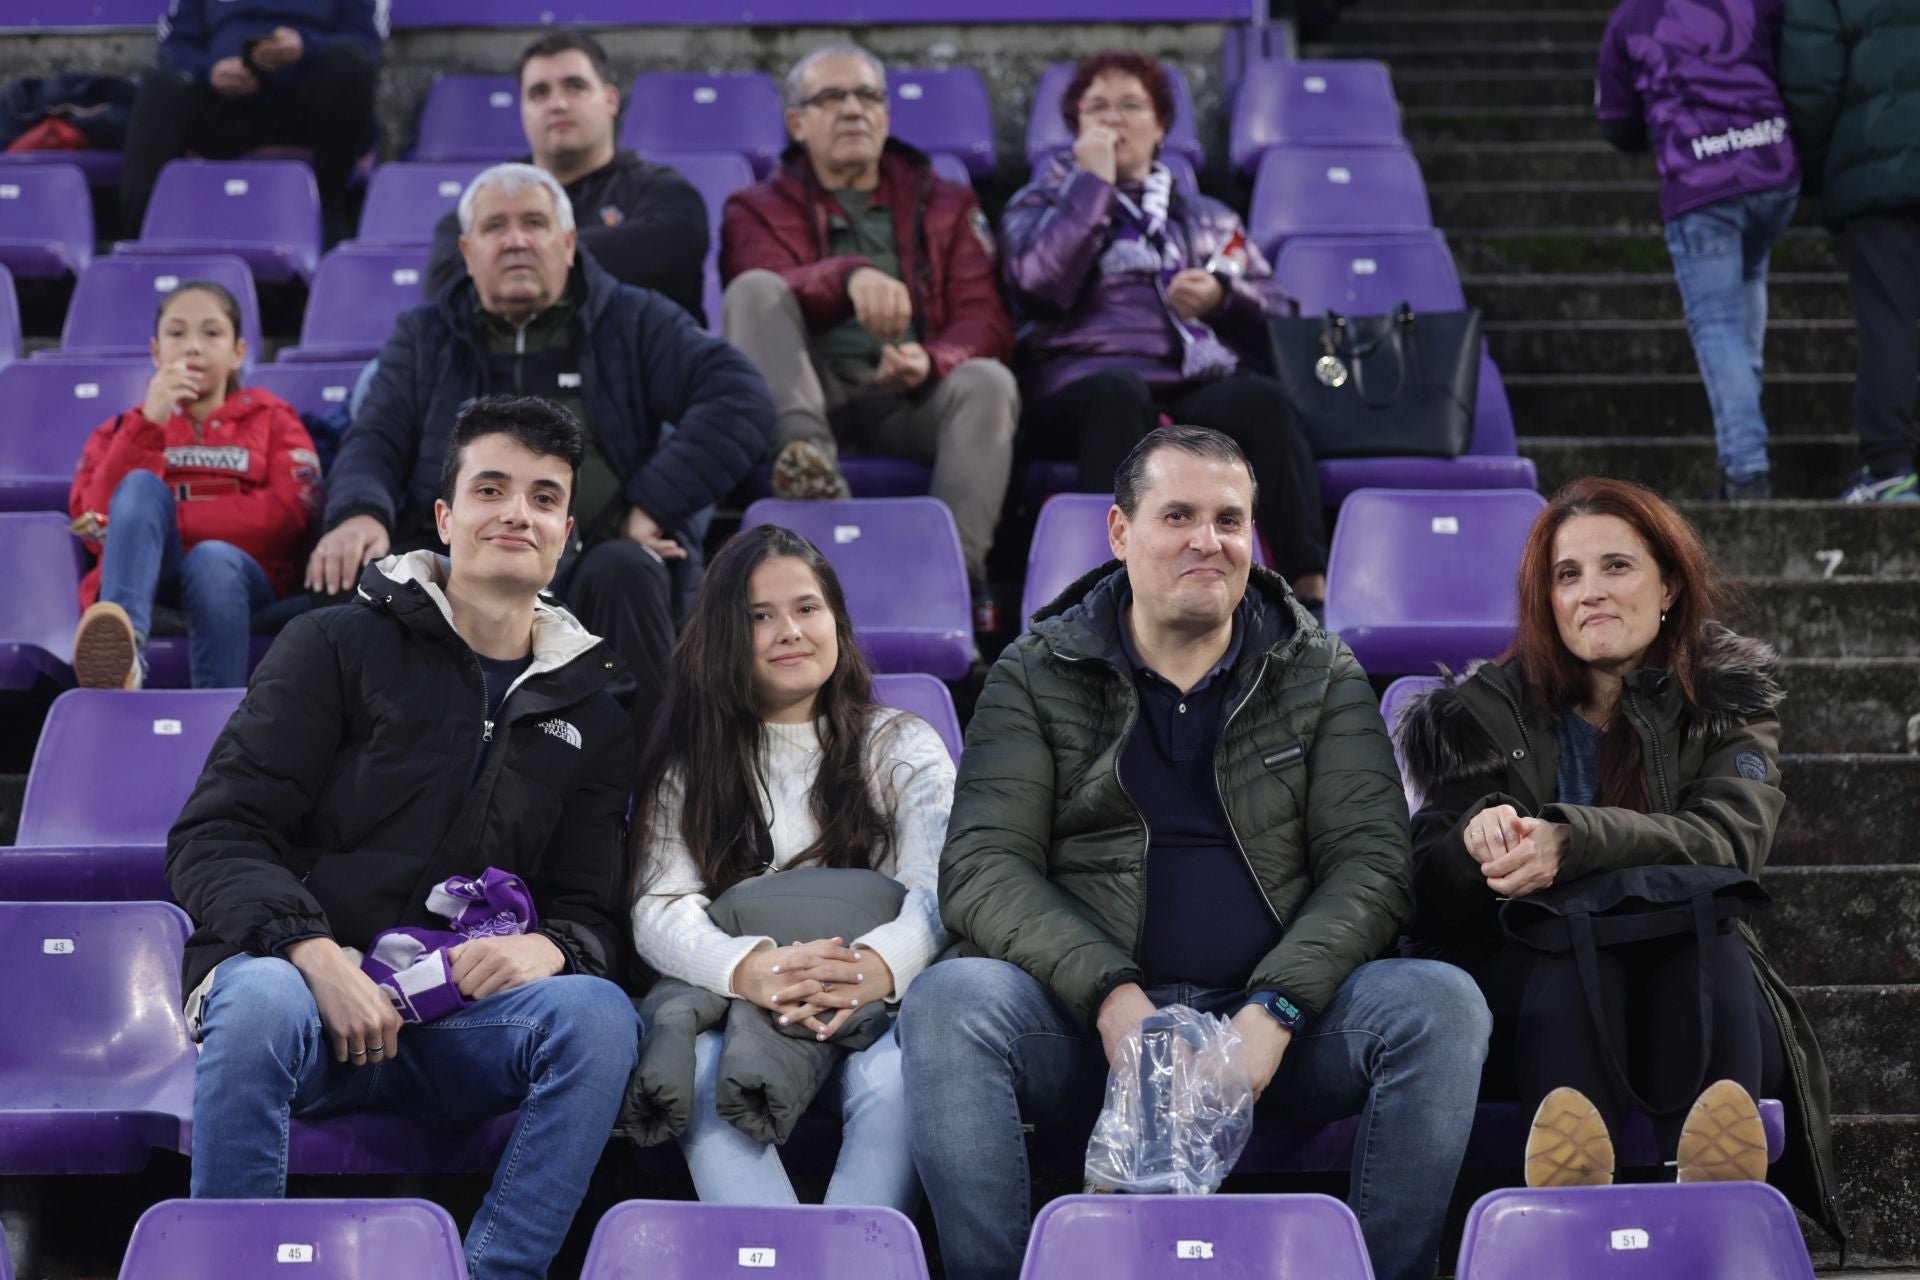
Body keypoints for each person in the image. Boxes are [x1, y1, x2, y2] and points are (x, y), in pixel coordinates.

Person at [899, 426, 1491, 1280]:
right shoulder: (1037, 670)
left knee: (1442, 1003)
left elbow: (1372, 864)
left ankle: (1383, 1271)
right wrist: (1114, 1000)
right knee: (950, 1003)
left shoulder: (1319, 669)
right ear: (1119, 531)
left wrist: (1277, 1010)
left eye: (1228, 519)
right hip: (1086, 1024)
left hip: (1277, 1030)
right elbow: (984, 866)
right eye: (1178, 515)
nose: (1206, 541)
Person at [168, 395, 640, 1280]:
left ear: (566, 533)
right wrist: (315, 953)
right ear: (444, 515)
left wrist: (555, 946)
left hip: (454, 1026)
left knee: (599, 1017)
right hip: (306, 1005)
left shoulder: (594, 712)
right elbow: (217, 834)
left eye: (542, 498)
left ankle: (495, 1273)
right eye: (491, 488)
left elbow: (593, 907)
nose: (515, 513)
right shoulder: (333, 645)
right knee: (260, 997)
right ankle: (230, 1268)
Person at [1397, 477, 1844, 1245]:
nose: (1590, 592)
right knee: (1573, 951)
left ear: (1668, 584)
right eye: (1567, 575)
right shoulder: (1482, 709)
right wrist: (1477, 839)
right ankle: (1581, 1220)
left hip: (1692, 976)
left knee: (1703, 935)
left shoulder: (1724, 699)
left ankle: (1710, 1216)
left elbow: (1731, 841)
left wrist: (1575, 841)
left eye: (1616, 567)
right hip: (1543, 986)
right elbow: (1425, 889)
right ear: (1546, 599)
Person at [310, 162, 775, 729]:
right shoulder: (424, 333)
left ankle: (659, 789)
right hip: (460, 566)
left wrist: (652, 504)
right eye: (495, 227)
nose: (516, 240)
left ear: (569, 243)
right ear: (467, 250)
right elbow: (375, 436)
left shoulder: (630, 318)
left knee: (629, 569)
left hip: (592, 561)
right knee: (355, 576)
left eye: (534, 223)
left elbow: (741, 395)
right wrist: (359, 511)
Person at [629, 523, 953, 1209]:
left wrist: (875, 966)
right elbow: (659, 906)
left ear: (835, 617)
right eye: (759, 617)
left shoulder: (901, 743)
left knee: (901, 1080)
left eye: (807, 608)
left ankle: (855, 1257)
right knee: (702, 1069)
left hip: (873, 1008)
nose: (790, 632)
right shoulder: (688, 763)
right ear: (723, 636)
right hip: (741, 1007)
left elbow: (939, 889)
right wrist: (749, 968)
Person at [1000, 51, 1328, 605]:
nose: (1113, 119)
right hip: (1080, 383)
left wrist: (1225, 298)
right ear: (1078, 128)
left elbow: (1283, 323)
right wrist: (1092, 186)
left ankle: (1307, 593)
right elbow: (1038, 284)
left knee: (1261, 401)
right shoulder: (1038, 203)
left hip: (1190, 379)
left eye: (1131, 105)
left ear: (1160, 128)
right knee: (1117, 394)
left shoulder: (1208, 217)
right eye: (1096, 107)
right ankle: (1112, 591)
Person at [721, 43, 1018, 626]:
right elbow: (765, 289)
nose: (853, 109)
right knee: (753, 292)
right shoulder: (752, 206)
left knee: (989, 380)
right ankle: (807, 467)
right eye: (832, 97)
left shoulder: (948, 202)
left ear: (886, 114)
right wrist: (850, 276)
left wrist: (930, 361)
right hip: (806, 393)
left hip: (904, 399)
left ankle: (956, 580)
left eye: (868, 96)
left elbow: (986, 319)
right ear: (797, 123)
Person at [68, 280, 319, 690]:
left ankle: (221, 719)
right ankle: (125, 655)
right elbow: (98, 527)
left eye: (212, 332)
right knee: (139, 488)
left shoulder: (275, 419)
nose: (193, 347)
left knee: (211, 559)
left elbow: (288, 515)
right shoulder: (119, 431)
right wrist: (149, 425)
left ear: (239, 352)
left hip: (238, 579)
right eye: (177, 333)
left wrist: (162, 524)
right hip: (151, 582)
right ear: (155, 351)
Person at [1596, 0, 1802, 501]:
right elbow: (1798, 66)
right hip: (1772, 171)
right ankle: (1744, 436)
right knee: (1745, 292)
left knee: (1716, 326)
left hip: (1701, 184)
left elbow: (1617, 122)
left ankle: (1746, 469)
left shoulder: (1631, 18)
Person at [424, 30, 711, 324]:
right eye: (539, 93)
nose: (558, 104)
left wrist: (514, 264)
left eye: (575, 87)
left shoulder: (665, 193)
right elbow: (445, 282)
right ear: (523, 110)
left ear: (611, 100)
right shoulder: (486, 200)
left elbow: (669, 250)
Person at [1780, 0, 1920, 503]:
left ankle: (1889, 469)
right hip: (1872, 171)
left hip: (1874, 169)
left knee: (1888, 322)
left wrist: (1823, 168)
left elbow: (1811, 81)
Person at [122, 0, 382, 235]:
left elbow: (366, 45)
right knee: (159, 85)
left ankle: (326, 210)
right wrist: (209, 71)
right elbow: (175, 46)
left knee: (347, 64)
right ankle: (143, 234)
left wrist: (305, 46)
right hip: (226, 108)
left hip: (308, 115)